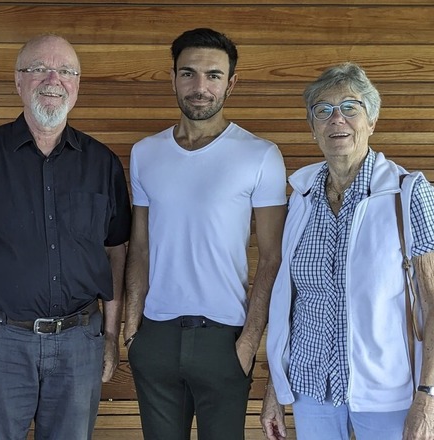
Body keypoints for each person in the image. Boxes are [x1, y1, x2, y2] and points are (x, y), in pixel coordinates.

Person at [0, 34, 131, 440]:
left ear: (77, 83)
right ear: (18, 80)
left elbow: (115, 250)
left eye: (65, 70)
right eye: (39, 69)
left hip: (80, 342)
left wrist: (112, 333)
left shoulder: (102, 163)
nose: (53, 79)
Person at [124, 28, 287, 440]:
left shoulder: (260, 155)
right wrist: (132, 330)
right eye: (189, 74)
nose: (200, 87)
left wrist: (249, 343)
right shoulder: (145, 152)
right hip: (155, 335)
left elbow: (272, 257)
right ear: (173, 78)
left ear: (231, 83)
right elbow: (140, 246)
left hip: (224, 339)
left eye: (214, 75)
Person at [261, 62, 434, 440]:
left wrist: (429, 396)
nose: (336, 118)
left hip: (388, 395)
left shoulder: (408, 194)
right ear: (313, 129)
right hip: (311, 390)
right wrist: (275, 389)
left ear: (372, 120)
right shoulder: (300, 200)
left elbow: (433, 301)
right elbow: (291, 304)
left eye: (350, 107)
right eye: (323, 110)